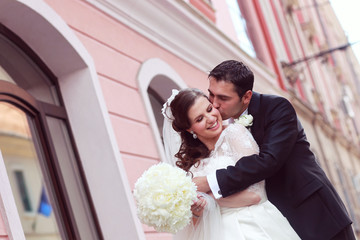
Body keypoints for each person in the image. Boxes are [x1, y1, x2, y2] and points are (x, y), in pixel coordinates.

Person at [192, 60, 355, 240]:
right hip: (276, 223)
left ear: (246, 96)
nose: (214, 104)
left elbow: (268, 161)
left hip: (315, 216)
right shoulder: (224, 126)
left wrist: (209, 182)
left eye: (223, 98)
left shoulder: (277, 108)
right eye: (211, 94)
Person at [163, 88, 300, 240]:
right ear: (189, 129)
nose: (210, 118)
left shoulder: (235, 133)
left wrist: (209, 199)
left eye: (209, 109)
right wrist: (196, 210)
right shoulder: (193, 164)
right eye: (199, 119)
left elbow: (256, 195)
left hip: (252, 227)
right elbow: (194, 224)